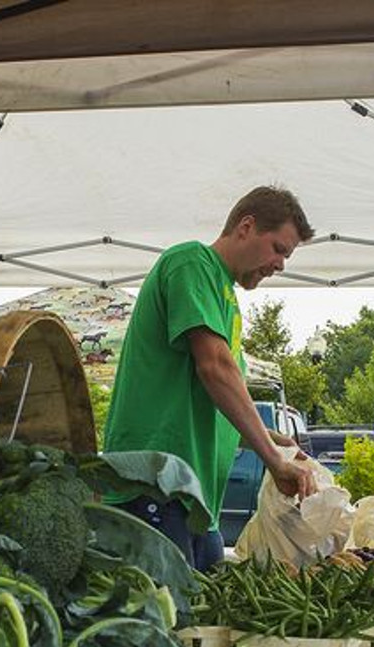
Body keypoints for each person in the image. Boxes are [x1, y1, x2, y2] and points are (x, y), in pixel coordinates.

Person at [103, 186, 318, 570]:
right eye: (279, 248)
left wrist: (271, 440)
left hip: (199, 503)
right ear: (246, 227)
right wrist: (273, 460)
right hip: (158, 486)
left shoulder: (226, 297)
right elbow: (215, 368)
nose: (281, 264)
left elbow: (209, 398)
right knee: (169, 623)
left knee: (203, 624)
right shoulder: (192, 262)